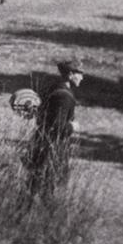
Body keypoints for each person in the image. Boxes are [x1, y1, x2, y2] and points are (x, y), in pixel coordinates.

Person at [26, 60, 85, 202]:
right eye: (80, 74)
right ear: (70, 74)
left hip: (40, 143)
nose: (82, 78)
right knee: (47, 192)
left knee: (33, 188)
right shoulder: (64, 96)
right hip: (52, 149)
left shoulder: (53, 89)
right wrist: (73, 127)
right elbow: (57, 127)